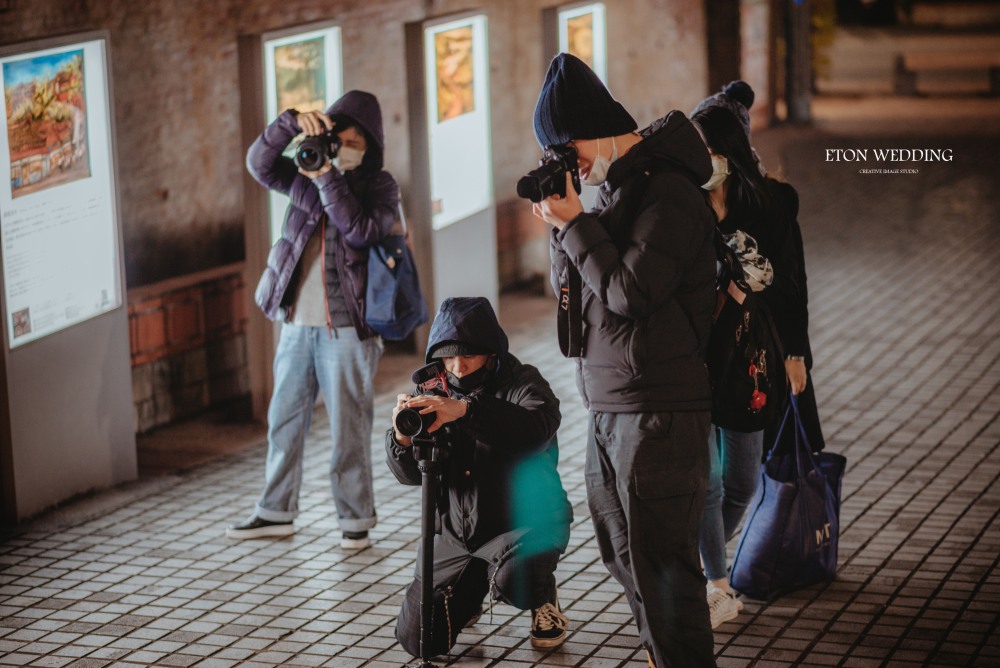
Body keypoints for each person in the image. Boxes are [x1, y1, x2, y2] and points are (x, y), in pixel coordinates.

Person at [530, 53, 718, 667]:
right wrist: (564, 228)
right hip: (611, 405)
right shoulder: (609, 191)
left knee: (664, 569)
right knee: (622, 552)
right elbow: (571, 321)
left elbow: (629, 294)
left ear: (600, 124)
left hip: (660, 408)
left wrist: (580, 224)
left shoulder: (669, 192)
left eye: (568, 147)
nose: (571, 164)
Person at [227, 90, 399, 549]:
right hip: (297, 323)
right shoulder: (304, 177)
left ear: (368, 142)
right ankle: (274, 510)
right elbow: (259, 164)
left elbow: (359, 230)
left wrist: (327, 179)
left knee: (349, 424)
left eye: (349, 139)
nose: (339, 148)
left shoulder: (380, 187)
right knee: (284, 418)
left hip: (348, 329)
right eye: (334, 139)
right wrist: (290, 124)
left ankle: (356, 518)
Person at [690, 81, 824, 626]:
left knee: (743, 480)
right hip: (694, 353)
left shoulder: (769, 203)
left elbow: (792, 280)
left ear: (731, 152)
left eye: (710, 148)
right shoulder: (681, 202)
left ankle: (692, 561)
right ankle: (715, 581)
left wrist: (796, 350)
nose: (702, 158)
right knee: (709, 480)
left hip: (752, 358)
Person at [386, 296, 573, 657]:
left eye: (469, 355)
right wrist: (402, 438)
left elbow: (534, 430)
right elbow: (409, 476)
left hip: (523, 525)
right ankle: (467, 596)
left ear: (491, 352)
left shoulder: (524, 383)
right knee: (419, 641)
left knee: (514, 581)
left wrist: (466, 410)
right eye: (448, 356)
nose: (458, 366)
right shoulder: (432, 391)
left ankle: (542, 597)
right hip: (457, 535)